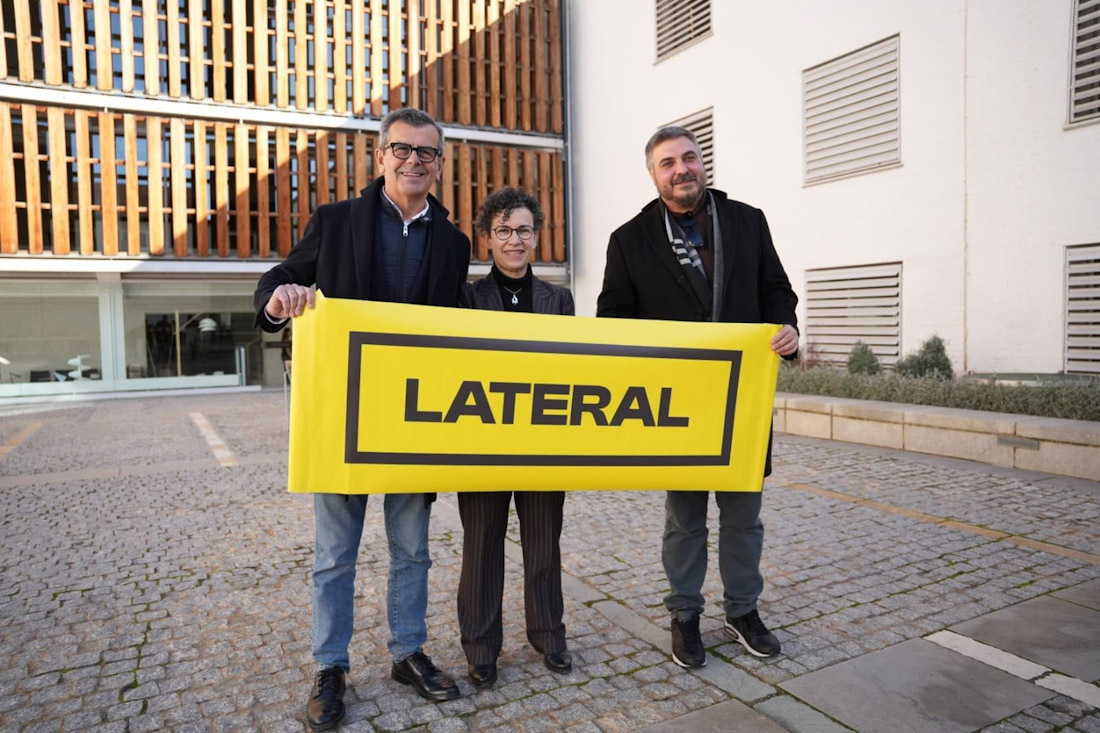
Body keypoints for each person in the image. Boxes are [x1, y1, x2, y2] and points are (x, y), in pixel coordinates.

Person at [254, 108, 470, 731]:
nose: (413, 160)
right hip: (341, 417)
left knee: (412, 550)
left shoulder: (454, 243)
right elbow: (282, 277)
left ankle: (408, 653)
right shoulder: (335, 221)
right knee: (334, 554)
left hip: (413, 420)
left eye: (426, 152)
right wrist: (280, 298)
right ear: (380, 157)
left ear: (439, 164)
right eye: (402, 149)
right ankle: (330, 667)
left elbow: (459, 327)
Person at [596, 126, 799, 669]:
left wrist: (786, 326)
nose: (681, 169)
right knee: (684, 518)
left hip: (742, 399)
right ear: (653, 174)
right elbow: (613, 319)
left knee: (744, 517)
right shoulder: (629, 239)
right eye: (668, 163)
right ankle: (684, 614)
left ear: (702, 163)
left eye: (689, 157)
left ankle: (743, 610)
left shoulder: (747, 221)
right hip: (677, 406)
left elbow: (776, 289)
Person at [455, 188, 575, 689]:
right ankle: (481, 647)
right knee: (482, 544)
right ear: (487, 238)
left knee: (544, 543)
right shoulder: (467, 297)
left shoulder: (558, 299)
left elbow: (571, 370)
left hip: (542, 443)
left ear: (536, 236)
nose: (514, 240)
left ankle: (548, 634)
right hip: (483, 443)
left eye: (523, 229)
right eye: (503, 230)